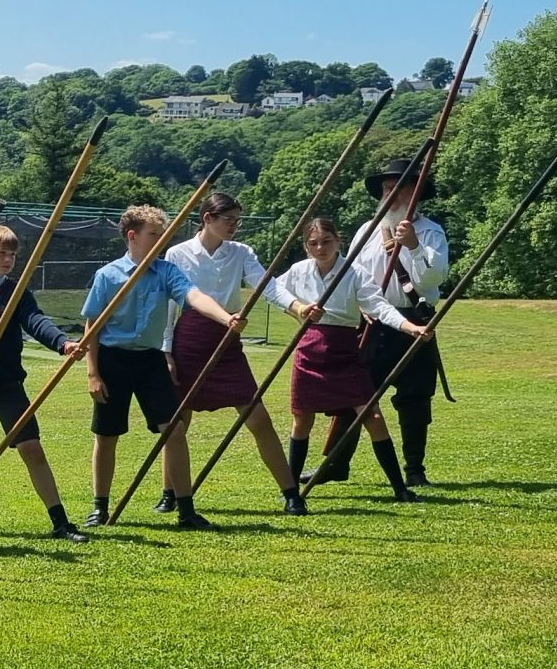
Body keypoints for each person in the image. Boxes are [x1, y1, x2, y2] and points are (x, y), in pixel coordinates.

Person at [79, 204, 238, 531]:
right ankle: (99, 507)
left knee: (174, 430)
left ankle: (186, 510)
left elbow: (194, 296)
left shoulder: (166, 272)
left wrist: (226, 318)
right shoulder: (108, 275)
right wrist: (93, 374)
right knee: (107, 436)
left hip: (150, 361)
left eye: (164, 234)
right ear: (133, 236)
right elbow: (92, 326)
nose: (161, 239)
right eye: (155, 234)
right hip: (112, 360)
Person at [264, 215, 434, 502]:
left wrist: (411, 328)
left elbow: (379, 307)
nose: (320, 248)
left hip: (344, 349)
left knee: (373, 416)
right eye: (313, 243)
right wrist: (299, 309)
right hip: (309, 349)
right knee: (302, 419)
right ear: (306, 246)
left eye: (326, 242)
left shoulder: (354, 272)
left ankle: (400, 488)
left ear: (338, 241)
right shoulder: (298, 271)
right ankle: (292, 491)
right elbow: (271, 290)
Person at [160, 193, 306, 514]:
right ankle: (170, 493)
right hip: (188, 341)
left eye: (238, 221)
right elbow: (168, 306)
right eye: (229, 220)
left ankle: (291, 493)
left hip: (226, 340)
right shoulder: (178, 254)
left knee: (258, 418)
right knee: (177, 424)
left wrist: (296, 307)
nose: (235, 227)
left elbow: (266, 284)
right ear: (208, 218)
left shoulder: (241, 253)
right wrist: (166, 352)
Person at [0, 224, 86, 541]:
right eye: (1, 253)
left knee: (32, 448)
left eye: (12, 254)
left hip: (8, 385)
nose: (8, 259)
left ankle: (60, 521)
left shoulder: (17, 291)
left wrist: (63, 343)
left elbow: (36, 321)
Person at [330, 157, 451, 487]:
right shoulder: (366, 232)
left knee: (414, 396)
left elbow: (434, 278)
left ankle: (415, 470)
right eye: (386, 188)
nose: (390, 194)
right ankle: (336, 464)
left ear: (415, 193)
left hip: (413, 321)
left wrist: (412, 246)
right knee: (353, 395)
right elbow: (349, 276)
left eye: (398, 188)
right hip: (371, 322)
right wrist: (357, 306)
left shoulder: (429, 232)